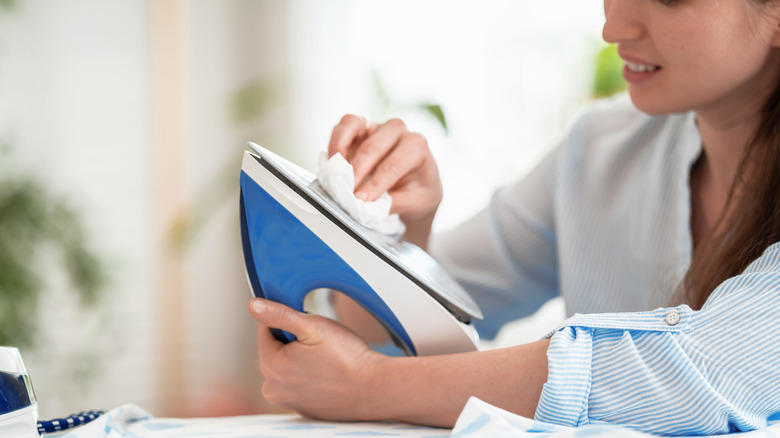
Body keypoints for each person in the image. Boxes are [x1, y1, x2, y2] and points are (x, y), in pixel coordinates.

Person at [248, 0, 780, 435]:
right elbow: (385, 327)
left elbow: (686, 377)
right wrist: (399, 230)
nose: (612, 24)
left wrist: (367, 385)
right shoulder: (598, 152)